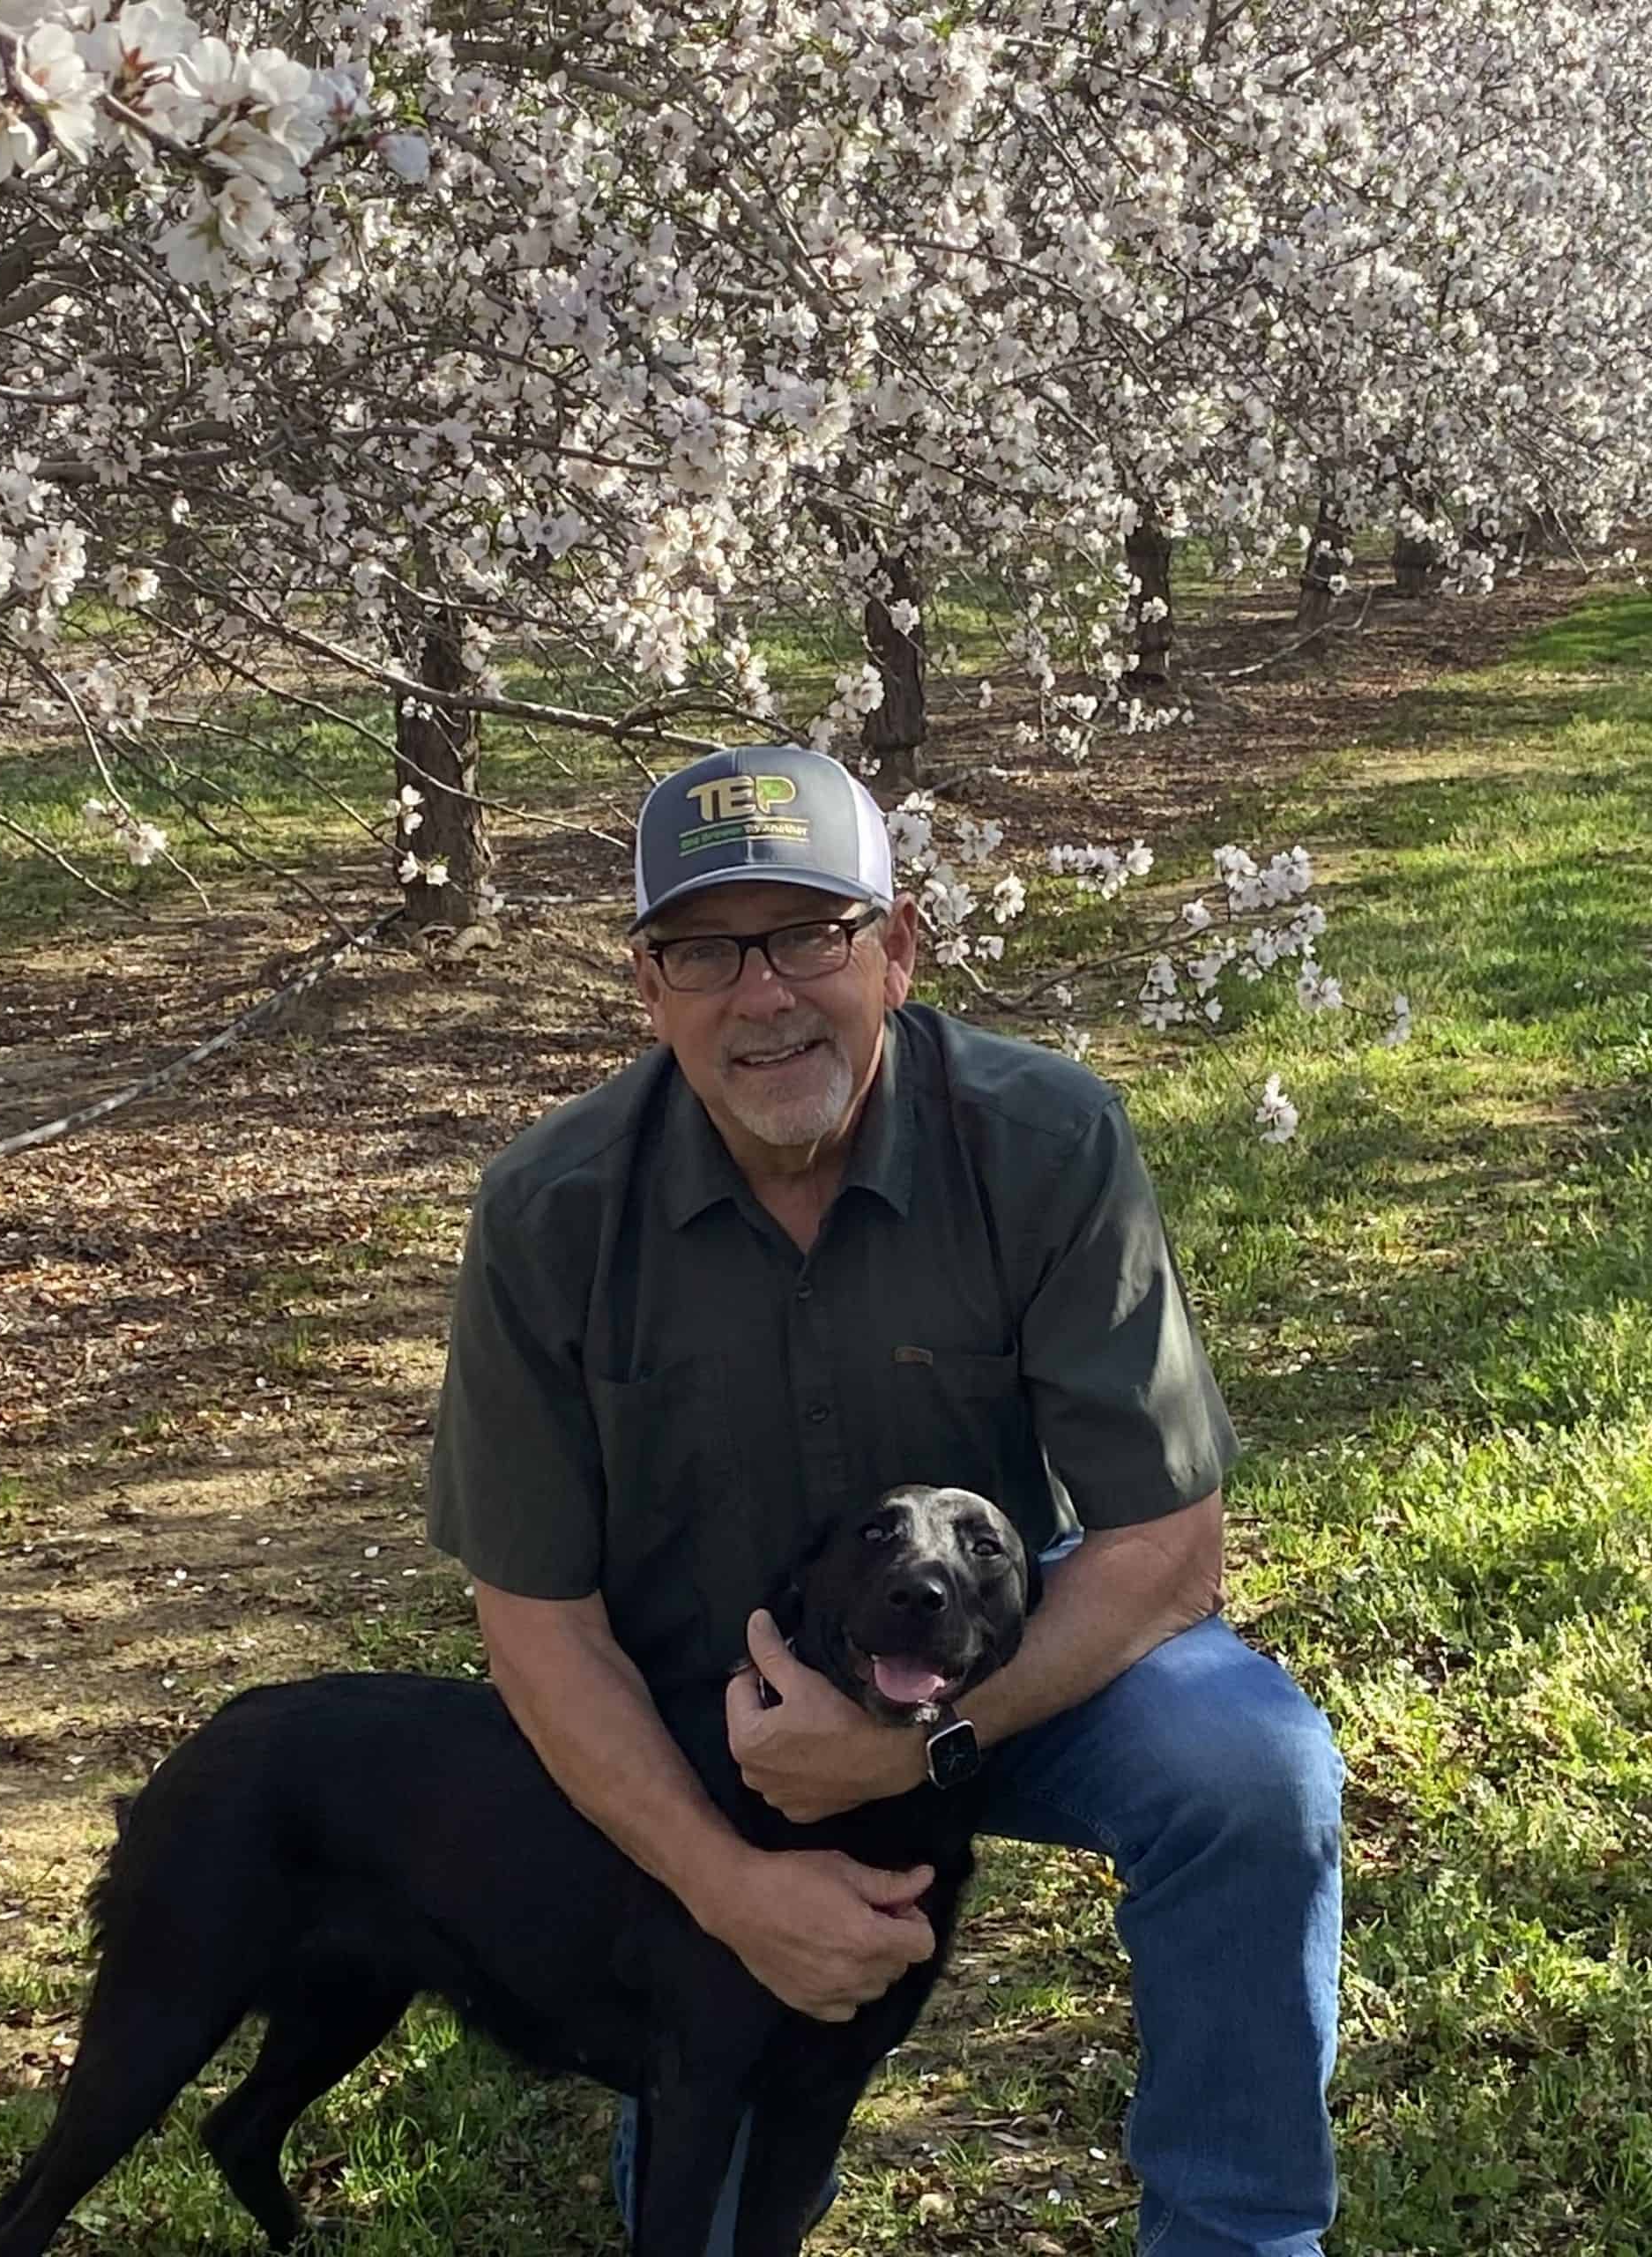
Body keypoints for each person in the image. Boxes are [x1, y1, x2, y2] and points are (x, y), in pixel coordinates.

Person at [428, 743, 1343, 2257]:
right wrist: (731, 1886)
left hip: (995, 1672)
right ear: (647, 987)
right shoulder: (552, 1211)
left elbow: (1168, 1550)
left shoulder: (1042, 1140)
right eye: (707, 951)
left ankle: (1239, 2236)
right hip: (699, 1718)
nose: (765, 995)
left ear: (898, 947)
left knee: (1248, 1774)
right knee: (714, 2209)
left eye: (811, 935)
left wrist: (923, 1749)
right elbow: (535, 1625)